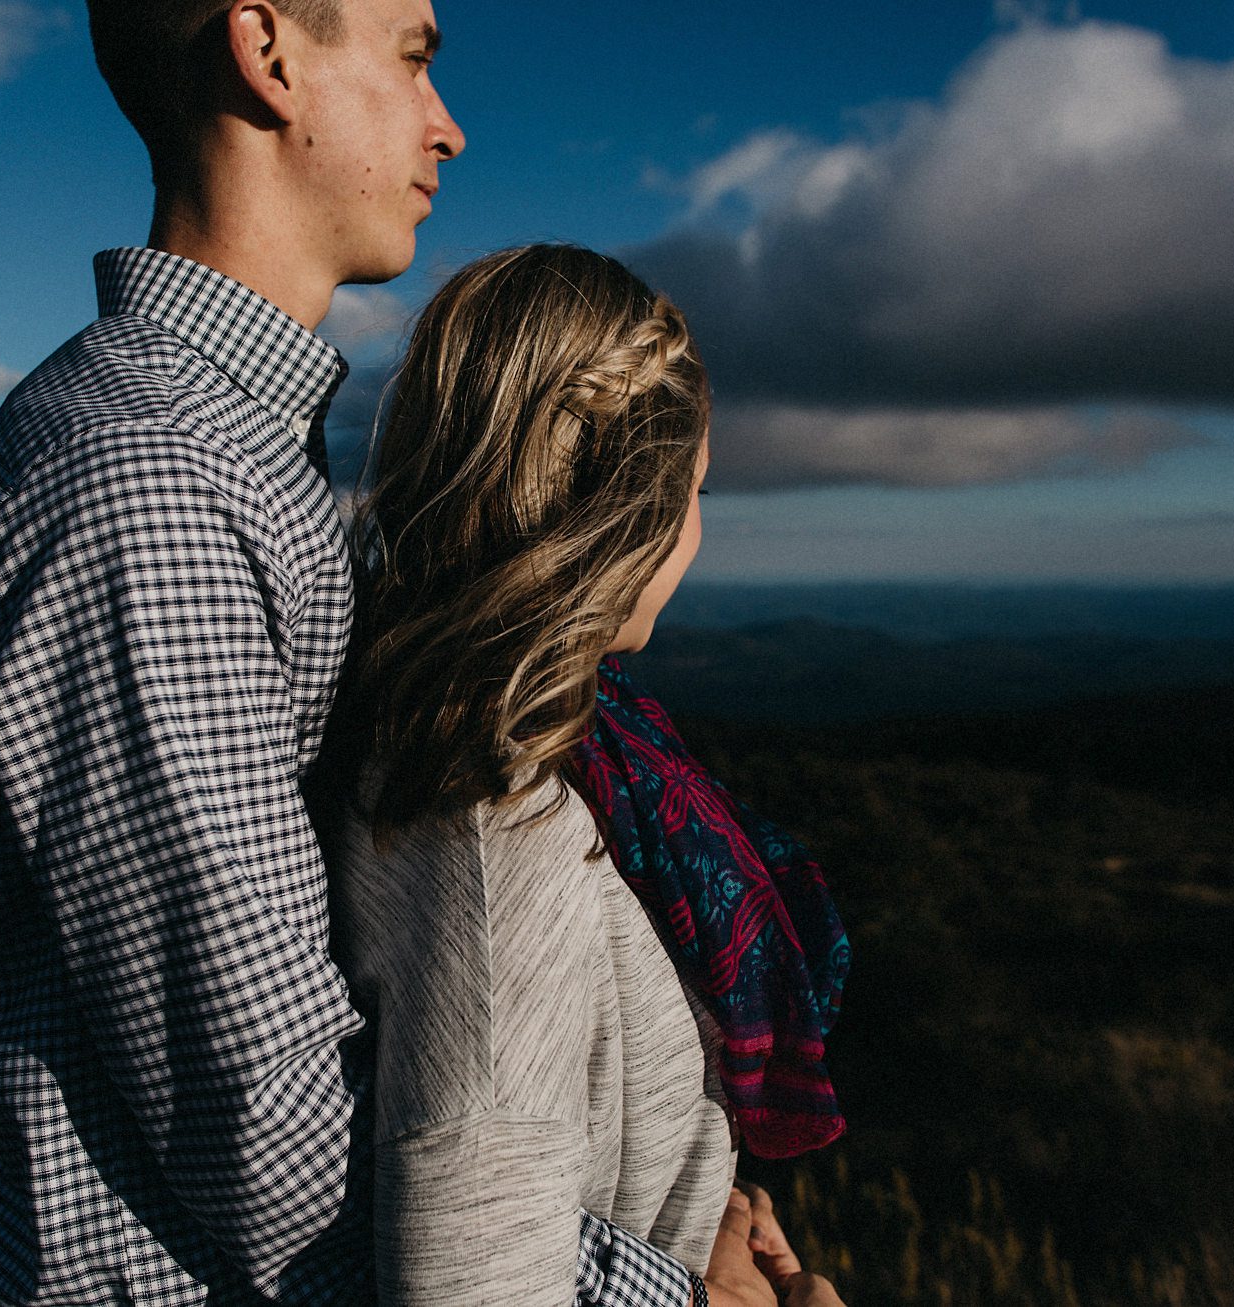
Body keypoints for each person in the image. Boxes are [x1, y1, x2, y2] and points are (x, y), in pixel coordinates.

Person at [0, 1, 774, 1303]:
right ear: (270, 53)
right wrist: (672, 1284)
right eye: (414, 55)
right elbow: (265, 1131)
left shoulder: (244, 456)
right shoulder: (152, 485)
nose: (449, 123)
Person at [328, 245, 851, 1306]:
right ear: (627, 507)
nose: (698, 530)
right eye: (694, 490)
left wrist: (696, 1214)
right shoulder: (499, 830)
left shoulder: (574, 754)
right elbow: (472, 1282)